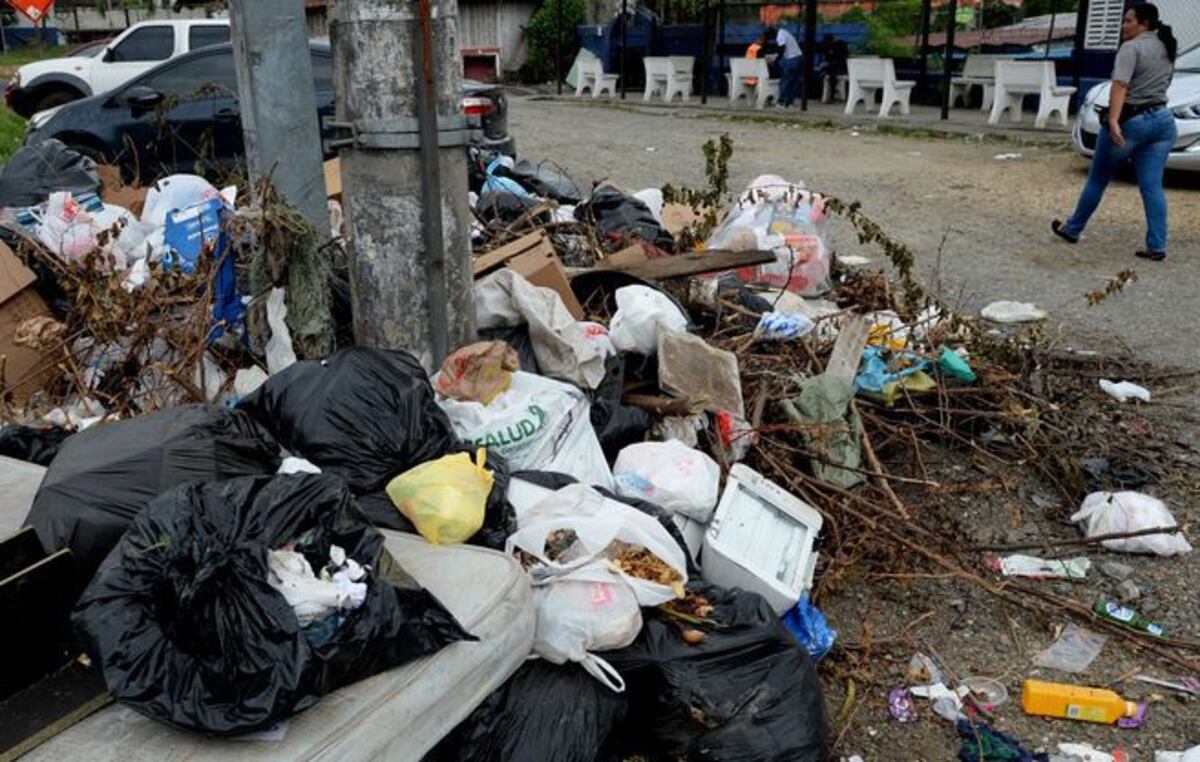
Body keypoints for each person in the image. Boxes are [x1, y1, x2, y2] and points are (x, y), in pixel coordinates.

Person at [1052, 3, 1178, 261]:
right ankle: (1157, 246)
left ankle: (1073, 228)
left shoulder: (1131, 48)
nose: (1124, 26)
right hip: (1163, 121)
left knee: (1098, 178)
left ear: (1143, 23)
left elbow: (1120, 85)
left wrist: (1113, 121)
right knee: (1152, 186)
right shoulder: (1166, 45)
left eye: (1129, 21)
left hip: (1133, 121)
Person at [769, 25, 803, 108]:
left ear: (773, 33)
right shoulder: (784, 32)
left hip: (792, 59)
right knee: (793, 81)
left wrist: (776, 60)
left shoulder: (780, 35)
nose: (773, 39)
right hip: (798, 57)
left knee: (785, 80)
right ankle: (790, 102)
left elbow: (782, 49)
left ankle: (781, 102)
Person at [818, 33, 849, 103]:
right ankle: (825, 95)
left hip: (840, 66)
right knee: (824, 73)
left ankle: (832, 96)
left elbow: (842, 59)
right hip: (831, 66)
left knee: (832, 73)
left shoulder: (840, 46)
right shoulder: (826, 46)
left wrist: (828, 63)